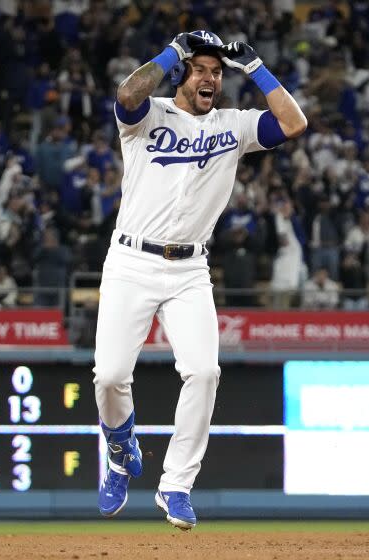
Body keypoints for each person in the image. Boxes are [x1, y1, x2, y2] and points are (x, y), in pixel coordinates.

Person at [93, 30, 306, 529]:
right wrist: (173, 49)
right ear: (183, 73)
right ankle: (122, 450)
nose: (210, 78)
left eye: (217, 71)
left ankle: (176, 486)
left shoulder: (235, 125)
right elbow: (127, 94)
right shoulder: (149, 114)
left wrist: (252, 63)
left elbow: (294, 122)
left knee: (205, 372)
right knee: (108, 377)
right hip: (131, 261)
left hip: (189, 268)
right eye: (201, 69)